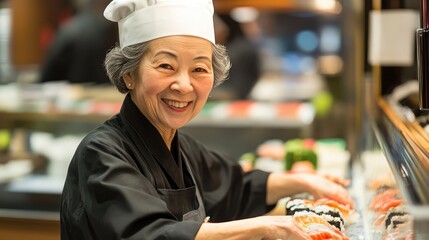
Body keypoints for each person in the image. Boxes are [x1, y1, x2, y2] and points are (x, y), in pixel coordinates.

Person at [60, 0, 354, 239]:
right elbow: (152, 234)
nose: (184, 85)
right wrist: (268, 227)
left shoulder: (182, 147)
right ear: (129, 73)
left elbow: (236, 186)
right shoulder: (101, 153)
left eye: (199, 69)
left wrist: (306, 182)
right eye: (166, 66)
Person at [38, 0, 117, 85]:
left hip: (71, 91)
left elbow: (49, 69)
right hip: (104, 90)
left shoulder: (67, 28)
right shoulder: (107, 29)